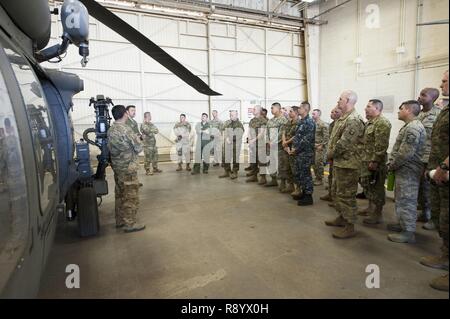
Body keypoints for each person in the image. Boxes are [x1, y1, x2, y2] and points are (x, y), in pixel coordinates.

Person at [420, 70, 449, 292]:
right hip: (439, 173)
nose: (442, 84)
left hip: (445, 171)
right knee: (442, 218)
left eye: (445, 81)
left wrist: (445, 166)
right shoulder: (445, 110)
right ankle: (446, 255)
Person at [325, 90, 365, 239]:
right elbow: (334, 140)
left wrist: (329, 155)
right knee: (337, 192)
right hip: (339, 162)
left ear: (348, 101)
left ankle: (350, 226)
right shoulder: (343, 118)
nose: (338, 101)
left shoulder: (354, 120)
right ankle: (342, 217)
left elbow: (343, 144)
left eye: (340, 99)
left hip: (349, 164)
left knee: (347, 195)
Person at [386, 100, 426, 244]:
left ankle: (408, 232)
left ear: (408, 110)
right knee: (401, 198)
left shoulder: (413, 128)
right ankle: (403, 224)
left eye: (401, 109)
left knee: (407, 200)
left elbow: (405, 153)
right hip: (404, 169)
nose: (398, 111)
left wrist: (392, 165)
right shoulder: (409, 126)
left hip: (408, 170)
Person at [108, 105, 145, 233]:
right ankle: (130, 224)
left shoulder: (111, 130)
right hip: (128, 168)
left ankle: (120, 220)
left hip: (117, 168)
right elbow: (138, 148)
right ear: (125, 114)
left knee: (119, 194)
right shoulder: (127, 130)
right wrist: (141, 140)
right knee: (130, 196)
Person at [359, 99, 392, 225]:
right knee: (368, 186)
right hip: (366, 160)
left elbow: (381, 145)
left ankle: (378, 214)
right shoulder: (370, 123)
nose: (365, 109)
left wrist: (375, 161)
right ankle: (370, 207)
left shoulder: (382, 123)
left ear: (377, 108)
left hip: (375, 162)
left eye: (368, 106)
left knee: (377, 187)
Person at [417, 88, 441, 230]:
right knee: (421, 187)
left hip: (431, 158)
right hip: (417, 157)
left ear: (433, 98)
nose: (419, 97)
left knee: (431, 189)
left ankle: (434, 218)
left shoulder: (438, 114)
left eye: (423, 95)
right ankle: (425, 212)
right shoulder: (418, 114)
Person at [289, 103, 315, 206]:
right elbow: (297, 136)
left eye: (300, 108)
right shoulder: (301, 122)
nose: (298, 109)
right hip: (299, 153)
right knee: (300, 174)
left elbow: (306, 140)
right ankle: (303, 193)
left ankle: (308, 196)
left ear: (305, 109)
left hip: (305, 153)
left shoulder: (309, 122)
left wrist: (296, 149)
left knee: (306, 174)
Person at [320, 107, 343, 202]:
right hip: (331, 154)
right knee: (331, 176)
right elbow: (330, 140)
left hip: (338, 155)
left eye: (336, 112)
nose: (332, 113)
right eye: (331, 111)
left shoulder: (342, 124)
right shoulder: (332, 124)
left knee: (337, 178)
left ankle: (336, 198)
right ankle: (331, 194)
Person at [264, 102, 289, 187]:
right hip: (270, 146)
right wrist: (267, 141)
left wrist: (273, 142)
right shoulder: (270, 120)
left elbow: (282, 133)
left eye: (272, 108)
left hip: (279, 146)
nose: (271, 110)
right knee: (271, 163)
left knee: (281, 164)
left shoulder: (283, 120)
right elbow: (266, 132)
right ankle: (273, 179)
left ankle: (282, 182)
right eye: (271, 108)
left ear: (278, 108)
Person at [219, 110, 244, 179]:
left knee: (235, 158)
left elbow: (240, 134)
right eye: (230, 115)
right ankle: (227, 171)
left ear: (236, 115)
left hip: (236, 144)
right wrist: (226, 138)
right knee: (226, 157)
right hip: (227, 143)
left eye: (232, 115)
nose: (231, 116)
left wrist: (231, 139)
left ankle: (235, 172)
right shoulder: (227, 123)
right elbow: (223, 130)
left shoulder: (239, 124)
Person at [246, 106, 267, 183]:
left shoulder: (263, 120)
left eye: (254, 109)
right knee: (253, 160)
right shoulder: (252, 120)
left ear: (259, 111)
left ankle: (263, 177)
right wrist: (249, 139)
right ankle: (254, 176)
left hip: (260, 144)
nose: (253, 110)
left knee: (261, 161)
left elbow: (262, 133)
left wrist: (253, 140)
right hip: (253, 144)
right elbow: (249, 131)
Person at [282, 106, 300, 195]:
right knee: (287, 167)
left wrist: (287, 142)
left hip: (294, 148)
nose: (289, 113)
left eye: (291, 111)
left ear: (296, 112)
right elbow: (284, 132)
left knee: (295, 169)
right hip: (286, 148)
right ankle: (290, 185)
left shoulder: (299, 123)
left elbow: (297, 135)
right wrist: (284, 141)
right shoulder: (288, 122)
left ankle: (298, 188)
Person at [312, 109, 329, 186]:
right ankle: (316, 177)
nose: (312, 115)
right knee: (313, 163)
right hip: (313, 146)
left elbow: (326, 137)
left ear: (319, 114)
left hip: (319, 147)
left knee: (318, 163)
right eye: (312, 114)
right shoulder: (312, 124)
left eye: (314, 114)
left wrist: (321, 145)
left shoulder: (323, 124)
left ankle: (320, 178)